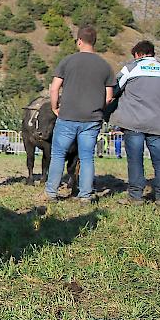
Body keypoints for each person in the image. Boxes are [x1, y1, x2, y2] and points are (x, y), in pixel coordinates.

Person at [43, 26, 115, 204]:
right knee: (87, 157)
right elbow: (109, 97)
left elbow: (54, 88)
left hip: (67, 116)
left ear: (79, 41)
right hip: (92, 119)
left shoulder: (67, 61)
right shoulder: (105, 66)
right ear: (94, 42)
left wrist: (55, 107)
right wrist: (97, 108)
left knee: (58, 154)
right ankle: (85, 195)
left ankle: (51, 192)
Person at [111, 40, 160, 205]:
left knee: (135, 159)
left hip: (133, 122)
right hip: (158, 124)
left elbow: (113, 89)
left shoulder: (131, 68)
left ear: (139, 54)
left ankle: (136, 196)